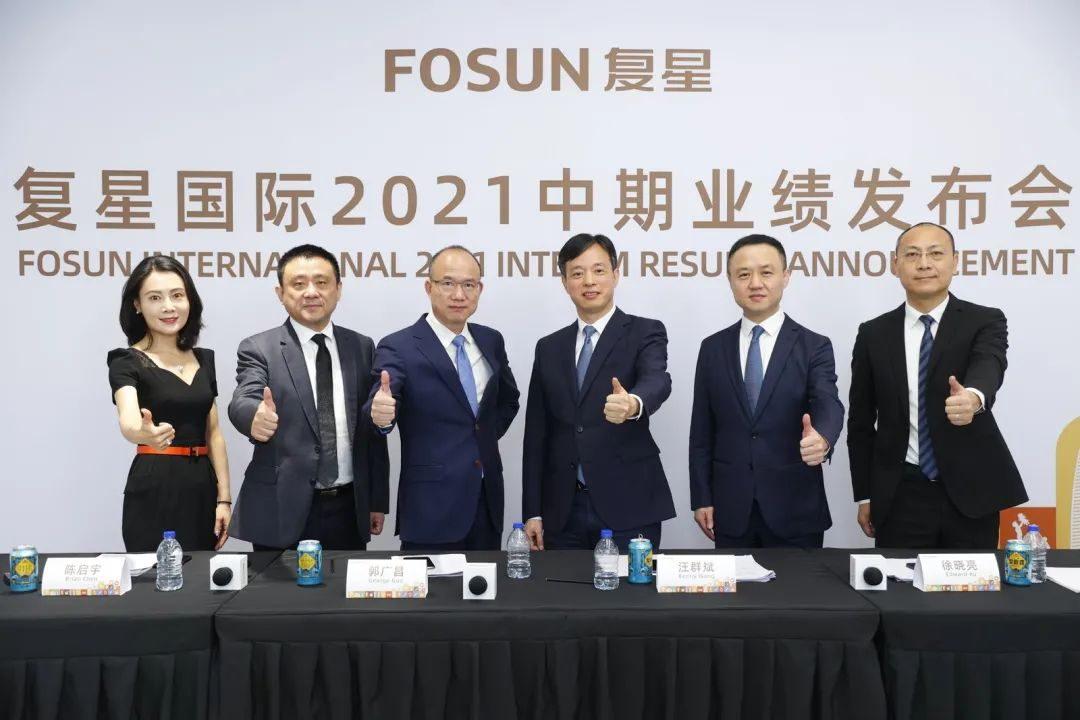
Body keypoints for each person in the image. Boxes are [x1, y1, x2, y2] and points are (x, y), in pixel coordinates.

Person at [848, 222, 1027, 549]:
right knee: (900, 582)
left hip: (971, 492)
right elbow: (860, 422)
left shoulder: (984, 320)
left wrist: (973, 397)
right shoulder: (873, 334)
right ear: (895, 264)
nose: (924, 264)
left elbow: (989, 363)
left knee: (974, 581)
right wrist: (865, 494)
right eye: (912, 255)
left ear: (955, 262)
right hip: (900, 494)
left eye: (935, 254)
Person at [521, 233, 676, 552]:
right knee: (562, 585)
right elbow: (536, 434)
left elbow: (657, 379)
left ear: (615, 275)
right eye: (577, 273)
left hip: (629, 503)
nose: (589, 281)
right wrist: (532, 511)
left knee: (631, 586)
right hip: (562, 510)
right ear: (565, 282)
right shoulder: (549, 347)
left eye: (599, 270)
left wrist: (633, 403)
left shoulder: (645, 331)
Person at [228, 244, 389, 550]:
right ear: (280, 293)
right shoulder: (259, 348)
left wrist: (376, 499)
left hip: (348, 507)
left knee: (346, 583)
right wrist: (254, 417)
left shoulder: (361, 346)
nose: (311, 292)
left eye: (322, 282)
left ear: (338, 289)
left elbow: (370, 435)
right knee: (278, 585)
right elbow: (243, 398)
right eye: (299, 284)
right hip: (281, 507)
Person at [688, 234, 844, 548]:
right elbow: (702, 432)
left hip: (795, 508)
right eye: (744, 274)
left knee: (799, 583)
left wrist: (823, 438)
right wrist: (701, 496)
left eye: (767, 272)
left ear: (785, 276)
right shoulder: (712, 348)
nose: (755, 283)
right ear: (730, 280)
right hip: (731, 508)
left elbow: (827, 401)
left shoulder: (813, 345)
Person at [364, 245, 519, 551]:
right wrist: (380, 415)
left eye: (468, 285)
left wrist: (481, 439)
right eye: (448, 283)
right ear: (429, 287)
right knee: (429, 584)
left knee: (486, 581)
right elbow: (381, 402)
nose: (458, 294)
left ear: (479, 289)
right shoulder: (399, 346)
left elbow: (508, 400)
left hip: (486, 500)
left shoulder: (491, 340)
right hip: (430, 506)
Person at [108, 255, 231, 551]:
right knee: (155, 574)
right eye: (155, 298)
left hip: (202, 485)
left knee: (202, 575)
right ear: (137, 304)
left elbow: (214, 433)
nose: (168, 306)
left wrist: (224, 499)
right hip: (155, 484)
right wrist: (144, 433)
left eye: (177, 295)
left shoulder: (204, 359)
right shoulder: (126, 361)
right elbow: (129, 421)